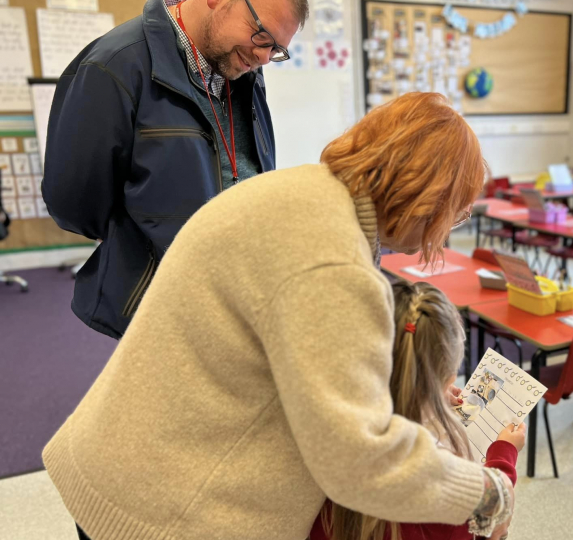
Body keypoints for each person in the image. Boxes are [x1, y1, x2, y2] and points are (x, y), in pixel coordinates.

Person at [43, 92, 516, 540]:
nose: (446, 231)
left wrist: (417, 388)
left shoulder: (300, 193)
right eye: (453, 215)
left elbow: (307, 349)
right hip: (169, 509)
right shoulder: (331, 260)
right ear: (425, 198)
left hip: (128, 460)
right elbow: (360, 463)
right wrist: (485, 492)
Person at [41, 0, 308, 339]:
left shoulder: (238, 62)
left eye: (277, 49)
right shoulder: (114, 65)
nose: (264, 57)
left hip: (237, 294)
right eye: (262, 36)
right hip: (160, 302)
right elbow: (74, 201)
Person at [311, 281, 526, 540]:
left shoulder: (330, 429)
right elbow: (486, 520)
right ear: (448, 375)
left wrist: (430, 396)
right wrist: (505, 453)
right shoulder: (434, 478)